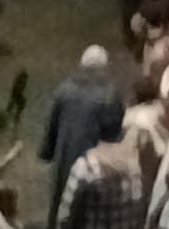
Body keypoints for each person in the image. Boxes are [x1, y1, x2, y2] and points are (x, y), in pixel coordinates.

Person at [41, 46, 124, 227]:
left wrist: (47, 152)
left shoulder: (65, 89)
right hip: (94, 164)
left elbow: (52, 124)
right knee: (87, 210)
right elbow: (113, 134)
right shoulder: (110, 95)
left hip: (64, 158)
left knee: (60, 203)